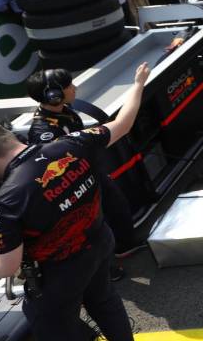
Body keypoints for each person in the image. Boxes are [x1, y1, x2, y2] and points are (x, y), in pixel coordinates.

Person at [0, 62, 151, 341]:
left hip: (59, 273)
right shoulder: (73, 143)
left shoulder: (5, 203)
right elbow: (123, 123)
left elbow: (6, 268)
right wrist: (138, 83)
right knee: (106, 302)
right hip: (99, 243)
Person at [24, 68, 139, 276]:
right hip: (74, 186)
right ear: (53, 95)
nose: (75, 88)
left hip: (91, 173)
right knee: (92, 228)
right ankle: (105, 269)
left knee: (117, 206)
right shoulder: (43, 132)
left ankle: (124, 247)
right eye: (69, 86)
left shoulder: (65, 110)